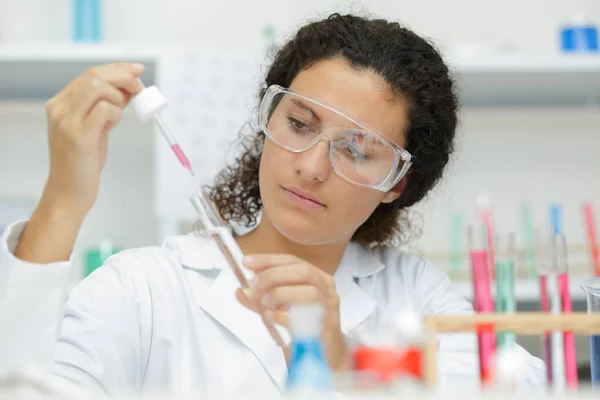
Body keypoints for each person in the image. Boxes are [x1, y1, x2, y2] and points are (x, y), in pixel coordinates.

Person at [0, 13, 545, 396]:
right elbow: (27, 387)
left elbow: (526, 388)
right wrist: (65, 201)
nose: (310, 165)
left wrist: (342, 365)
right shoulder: (143, 288)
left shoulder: (413, 296)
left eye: (357, 149)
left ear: (398, 183)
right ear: (269, 119)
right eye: (299, 124)